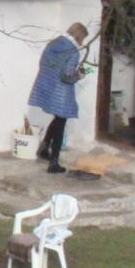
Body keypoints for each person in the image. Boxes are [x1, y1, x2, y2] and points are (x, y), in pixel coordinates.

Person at [29, 22, 90, 174]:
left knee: (57, 119)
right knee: (61, 122)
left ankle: (44, 148)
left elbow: (43, 64)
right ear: (79, 37)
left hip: (46, 86)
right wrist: (79, 75)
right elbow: (67, 76)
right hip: (60, 92)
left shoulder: (52, 44)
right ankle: (54, 162)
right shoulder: (73, 52)